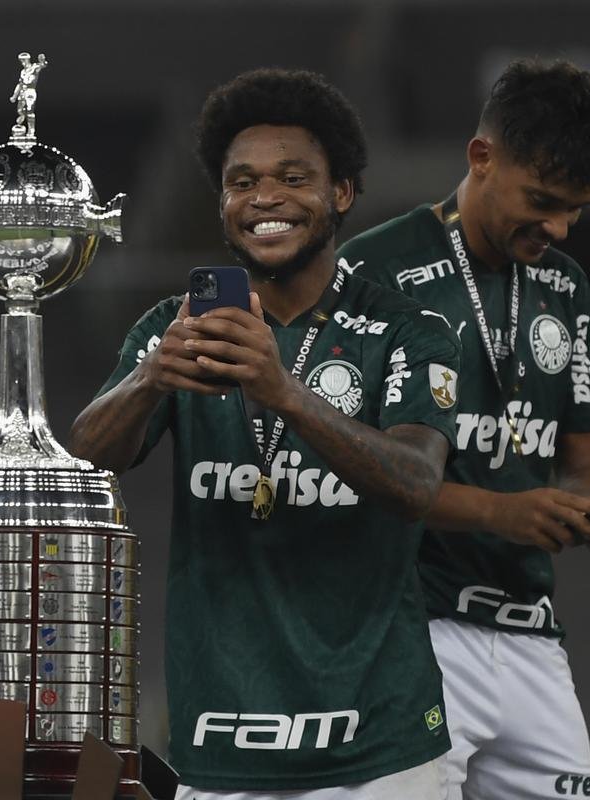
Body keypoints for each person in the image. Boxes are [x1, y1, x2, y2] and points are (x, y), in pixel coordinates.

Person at [69, 69, 461, 799]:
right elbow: (82, 464)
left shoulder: (409, 331)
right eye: (241, 182)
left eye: (292, 177)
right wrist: (151, 377)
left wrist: (285, 393)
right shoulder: (175, 331)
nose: (265, 199)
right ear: (222, 204)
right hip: (224, 748)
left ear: (342, 192)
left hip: (382, 750)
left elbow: (416, 484)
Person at [337, 59, 590, 799]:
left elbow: (587, 464)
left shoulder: (567, 286)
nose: (557, 227)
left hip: (532, 631)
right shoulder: (374, 272)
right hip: (412, 627)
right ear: (482, 156)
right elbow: (348, 472)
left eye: (577, 209)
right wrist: (506, 513)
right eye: (542, 200)